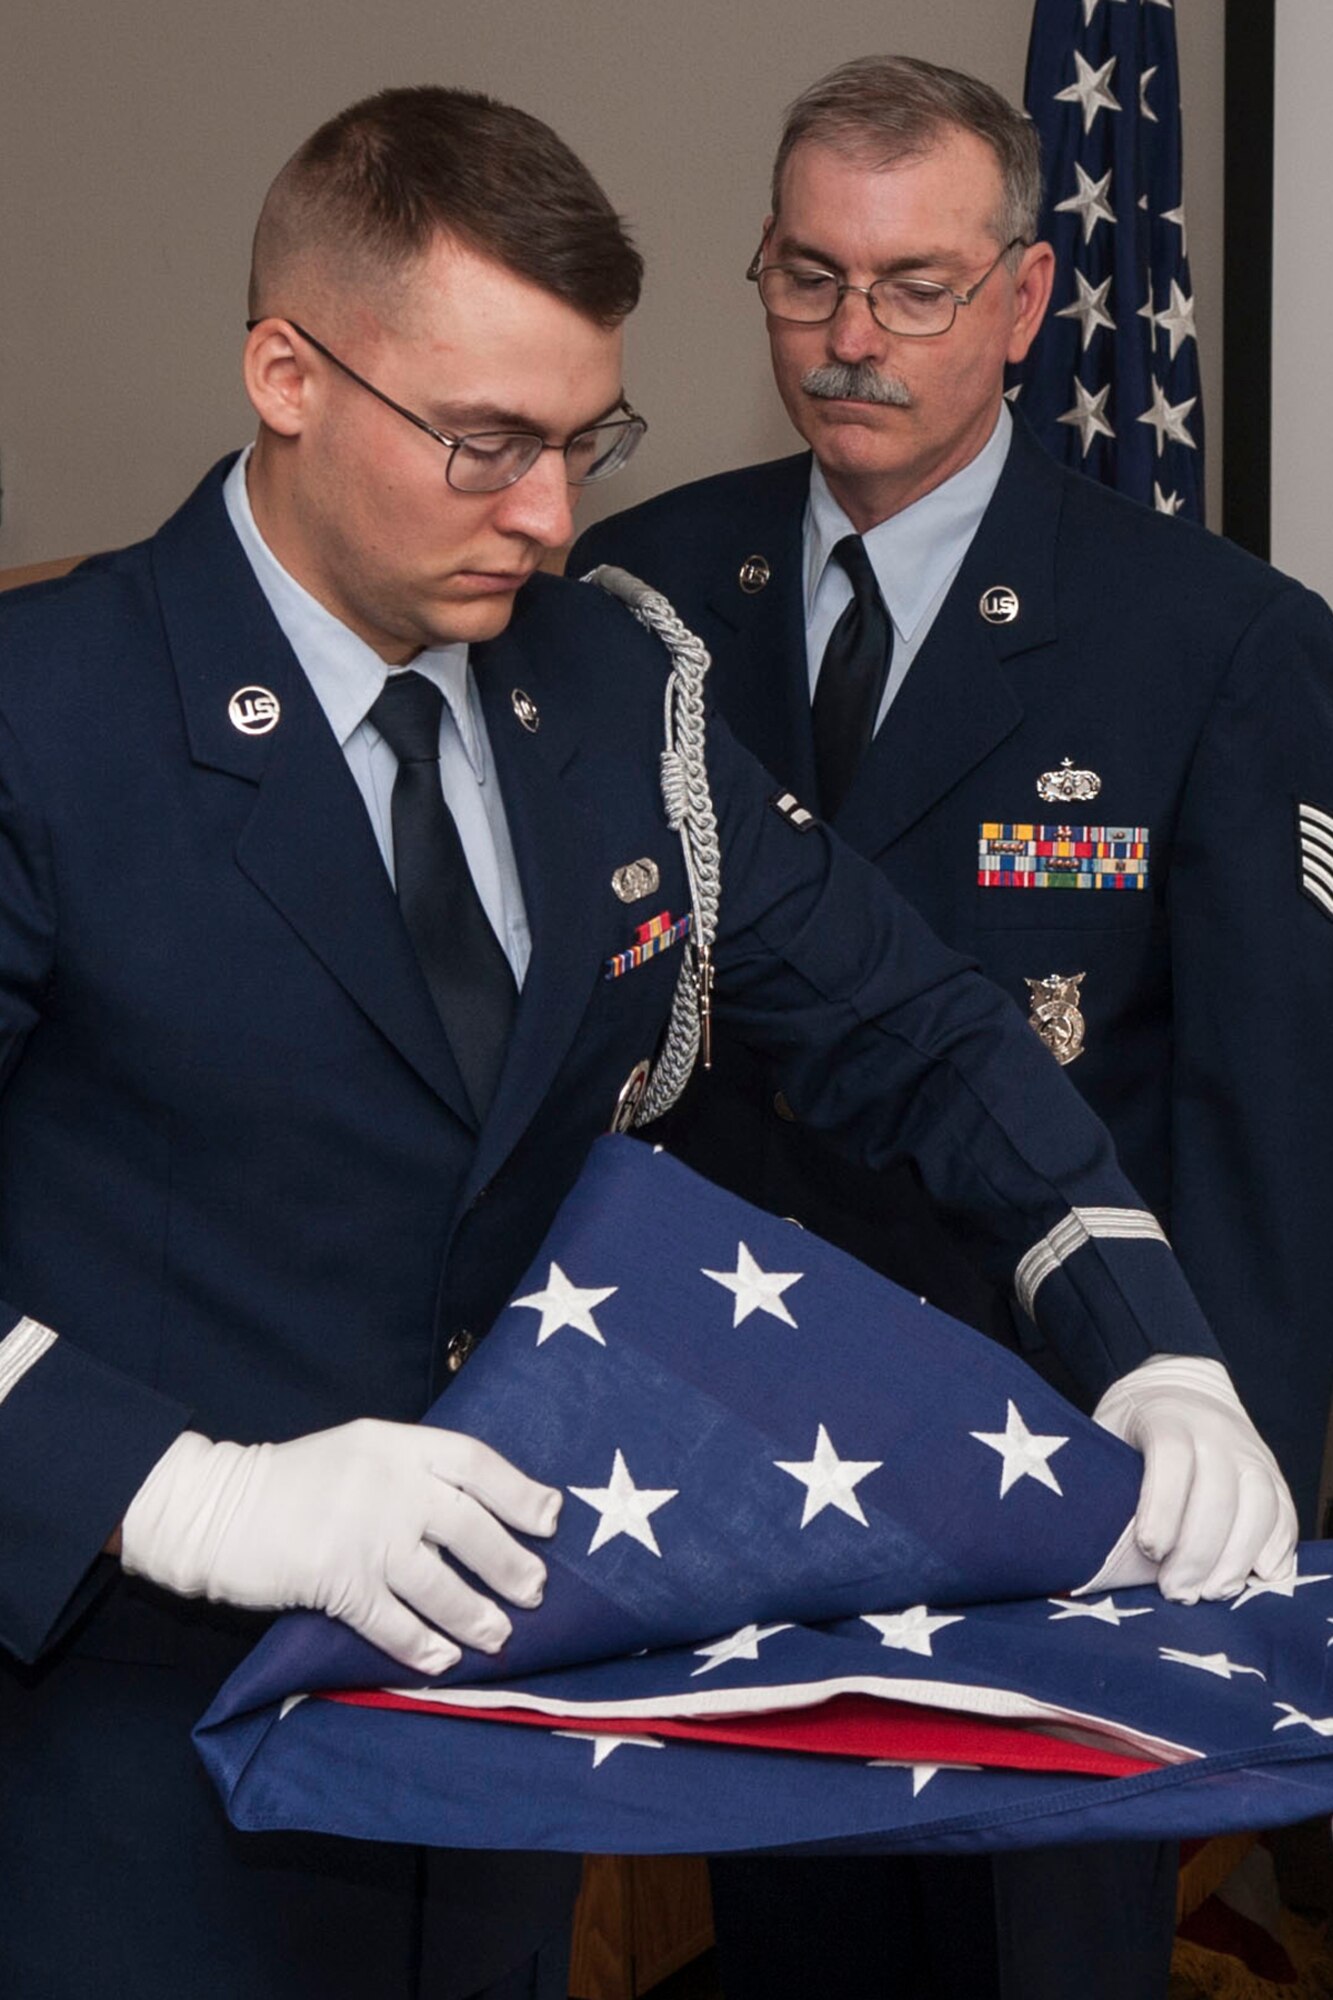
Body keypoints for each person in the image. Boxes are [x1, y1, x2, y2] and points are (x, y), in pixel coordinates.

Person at [0, 81, 1294, 2000]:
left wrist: (1156, 1347)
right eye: (483, 443)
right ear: (285, 371)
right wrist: (192, 1491)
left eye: (580, 439)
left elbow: (923, 1032)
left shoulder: (605, 686)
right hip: (133, 1748)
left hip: (508, 1737)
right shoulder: (50, 715)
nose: (550, 514)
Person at [571, 50, 1333, 2000]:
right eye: (804, 276)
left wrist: (1217, 1496)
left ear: (1023, 297)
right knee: (789, 1953)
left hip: (1065, 1466)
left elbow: (1268, 1125)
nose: (848, 337)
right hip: (745, 1454)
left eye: (912, 285)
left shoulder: (1218, 640)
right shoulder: (634, 594)